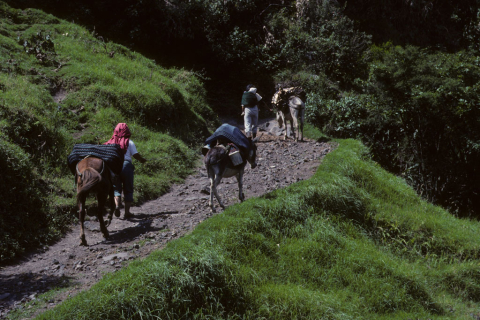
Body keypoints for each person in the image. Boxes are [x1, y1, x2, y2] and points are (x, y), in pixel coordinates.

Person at [105, 123, 147, 219]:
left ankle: (116, 206)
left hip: (115, 167)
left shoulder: (111, 143)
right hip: (126, 166)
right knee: (128, 189)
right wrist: (142, 160)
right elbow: (135, 155)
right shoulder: (129, 142)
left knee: (116, 189)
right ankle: (127, 212)